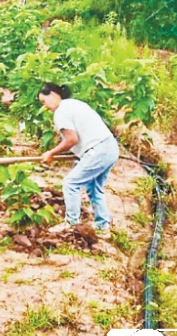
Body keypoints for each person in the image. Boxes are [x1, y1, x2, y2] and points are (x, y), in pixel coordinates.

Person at [37, 83, 119, 239]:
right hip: (110, 147)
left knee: (71, 183)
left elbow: (72, 139)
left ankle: (71, 223)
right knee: (94, 188)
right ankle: (103, 226)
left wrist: (51, 153)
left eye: (44, 101)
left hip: (98, 150)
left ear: (53, 95)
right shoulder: (74, 104)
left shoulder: (61, 111)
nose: (45, 106)